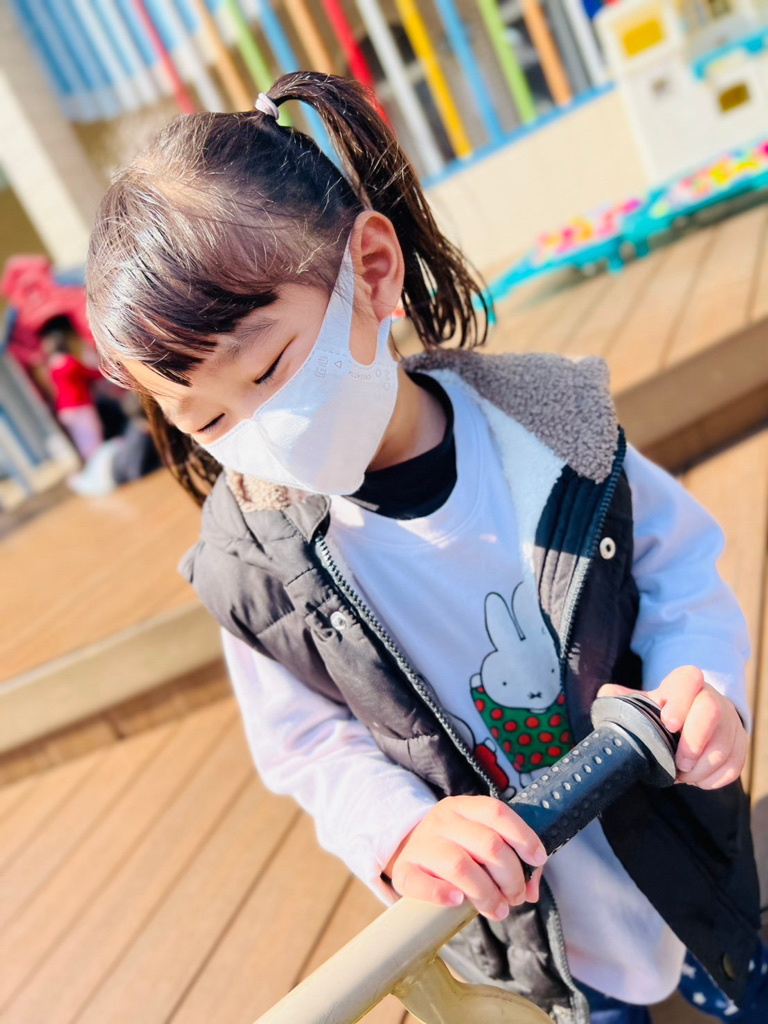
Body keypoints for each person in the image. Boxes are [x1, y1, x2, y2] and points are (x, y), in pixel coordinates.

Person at [84, 73, 765, 1024]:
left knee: (727, 963)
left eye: (269, 368)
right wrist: (399, 833)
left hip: (674, 837)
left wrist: (705, 679)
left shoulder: (552, 432)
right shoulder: (257, 571)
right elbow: (307, 744)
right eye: (206, 419)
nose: (259, 431)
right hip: (529, 933)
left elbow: (678, 567)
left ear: (371, 270)